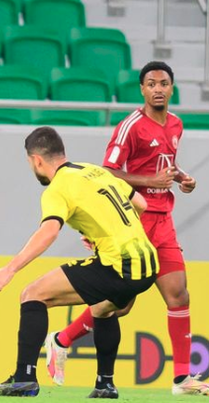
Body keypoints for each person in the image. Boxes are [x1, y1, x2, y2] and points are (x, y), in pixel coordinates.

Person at [44, 61, 209, 396]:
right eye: (151, 84)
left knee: (179, 294)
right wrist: (150, 181)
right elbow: (106, 173)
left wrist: (181, 178)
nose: (158, 89)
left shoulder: (176, 125)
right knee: (120, 305)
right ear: (142, 89)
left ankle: (182, 379)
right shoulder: (130, 126)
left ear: (172, 88)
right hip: (132, 223)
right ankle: (61, 340)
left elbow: (166, 164)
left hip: (163, 221)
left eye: (164, 83)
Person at [0, 126, 158, 398]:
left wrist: (9, 269)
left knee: (32, 294)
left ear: (36, 160)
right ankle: (105, 384)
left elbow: (49, 231)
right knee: (102, 308)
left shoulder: (58, 187)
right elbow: (141, 204)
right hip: (147, 263)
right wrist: (98, 232)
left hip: (120, 264)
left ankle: (24, 378)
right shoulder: (93, 170)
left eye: (31, 164)